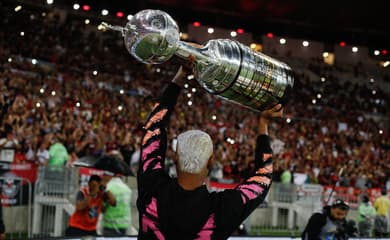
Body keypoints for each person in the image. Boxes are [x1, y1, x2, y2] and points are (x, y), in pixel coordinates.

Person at [137, 64, 283, 239]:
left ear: (175, 157)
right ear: (211, 162)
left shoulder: (152, 186)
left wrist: (180, 77)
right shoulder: (223, 209)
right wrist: (263, 125)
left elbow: (154, 126)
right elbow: (263, 178)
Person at [100, 155, 133, 236]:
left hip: (110, 226)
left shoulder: (108, 188)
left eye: (104, 174)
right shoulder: (127, 189)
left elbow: (102, 208)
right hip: (124, 225)